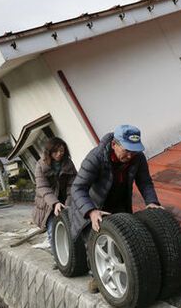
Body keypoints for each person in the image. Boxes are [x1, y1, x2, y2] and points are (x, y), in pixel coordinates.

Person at [69, 124, 162, 291]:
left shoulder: (137, 157)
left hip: (118, 199)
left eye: (134, 150)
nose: (130, 155)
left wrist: (152, 201)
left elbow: (145, 181)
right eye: (126, 150)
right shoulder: (96, 157)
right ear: (114, 144)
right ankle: (97, 276)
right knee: (95, 239)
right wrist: (90, 211)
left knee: (124, 236)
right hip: (91, 203)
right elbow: (77, 188)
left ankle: (127, 270)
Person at [33, 137, 77, 246]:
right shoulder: (40, 165)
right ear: (49, 152)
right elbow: (43, 187)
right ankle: (57, 260)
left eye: (61, 151)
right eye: (55, 151)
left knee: (71, 231)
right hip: (47, 204)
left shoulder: (68, 164)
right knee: (53, 232)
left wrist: (68, 204)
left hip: (64, 200)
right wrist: (55, 203)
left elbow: (73, 185)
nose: (59, 154)